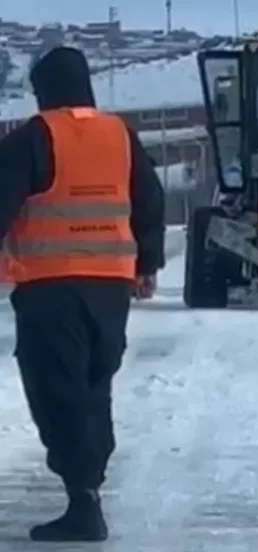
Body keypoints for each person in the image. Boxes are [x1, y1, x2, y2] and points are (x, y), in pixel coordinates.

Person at [0, 47, 165, 542]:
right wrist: (147, 264)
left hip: (51, 287)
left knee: (57, 390)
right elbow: (149, 198)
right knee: (94, 387)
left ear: (43, 89)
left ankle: (83, 500)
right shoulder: (121, 136)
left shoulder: (33, 137)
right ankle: (87, 489)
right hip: (110, 286)